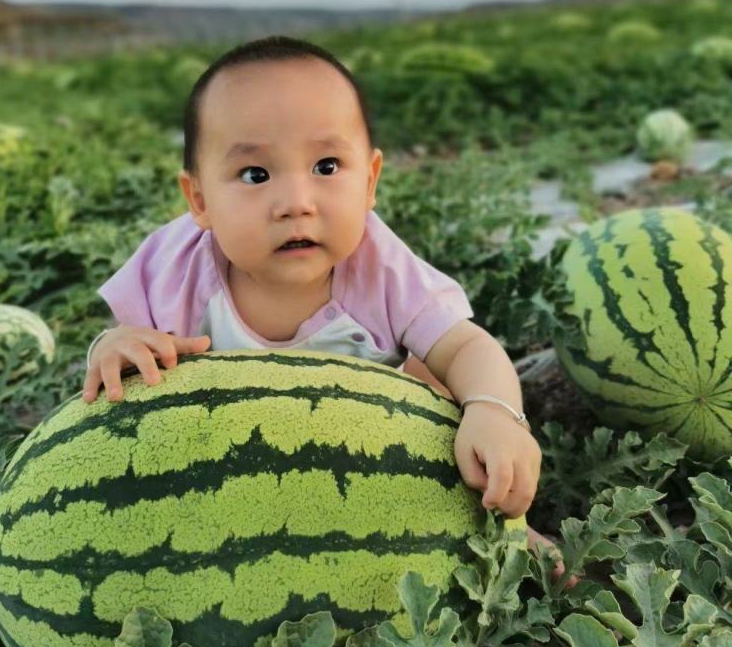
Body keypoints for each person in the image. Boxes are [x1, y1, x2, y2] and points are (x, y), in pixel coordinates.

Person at [82, 34, 542, 524]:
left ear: (369, 181)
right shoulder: (174, 274)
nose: (297, 202)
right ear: (199, 200)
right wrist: (110, 348)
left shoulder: (380, 269)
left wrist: (495, 413)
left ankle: (503, 525)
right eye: (255, 174)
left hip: (370, 460)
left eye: (327, 166)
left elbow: (468, 347)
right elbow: (120, 353)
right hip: (220, 472)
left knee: (442, 383)